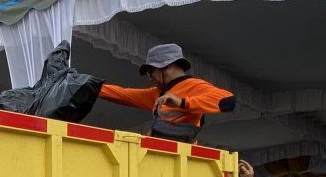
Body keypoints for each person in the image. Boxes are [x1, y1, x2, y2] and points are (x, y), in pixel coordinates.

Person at [99, 43, 236, 142]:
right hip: (158, 150)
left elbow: (228, 100)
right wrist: (91, 85)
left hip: (177, 153)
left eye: (151, 71)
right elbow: (124, 94)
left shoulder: (194, 85)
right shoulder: (159, 93)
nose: (149, 77)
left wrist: (181, 102)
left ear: (168, 67)